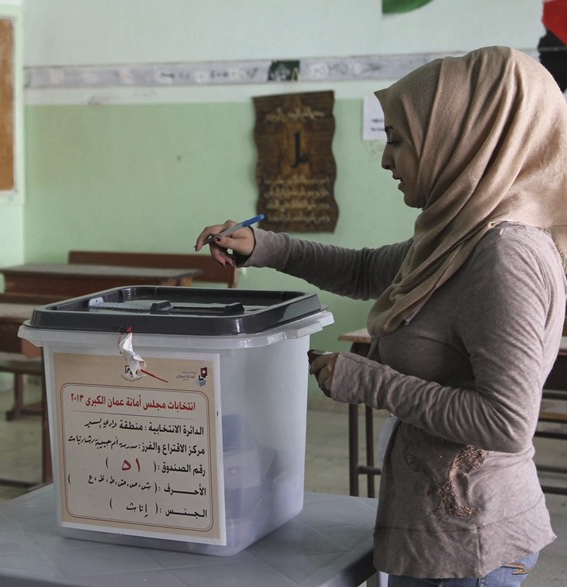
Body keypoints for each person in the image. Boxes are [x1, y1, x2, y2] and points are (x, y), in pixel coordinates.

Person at [196, 46, 567, 585]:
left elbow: (505, 424)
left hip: (473, 547)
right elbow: (366, 269)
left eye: (398, 141)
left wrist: (367, 381)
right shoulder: (458, 232)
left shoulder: (503, 254)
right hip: (438, 531)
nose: (387, 158)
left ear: (461, 140)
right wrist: (264, 246)